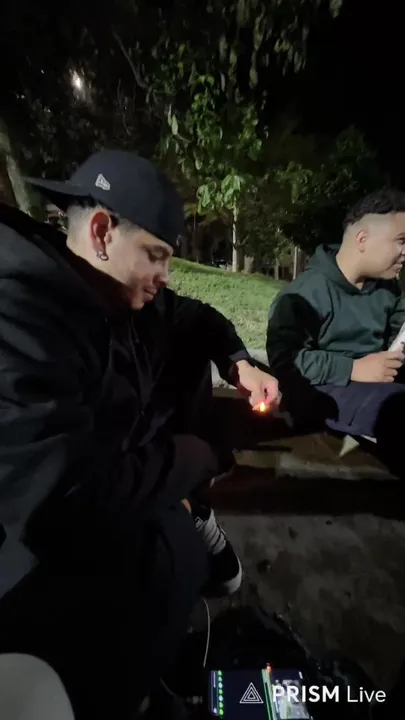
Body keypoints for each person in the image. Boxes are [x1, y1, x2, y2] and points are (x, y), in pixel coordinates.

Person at [0, 150, 279, 717]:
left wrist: (239, 362)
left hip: (110, 464)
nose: (165, 276)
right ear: (102, 231)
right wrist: (197, 457)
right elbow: (62, 499)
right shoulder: (22, 312)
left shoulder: (114, 289)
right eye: (156, 256)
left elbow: (194, 317)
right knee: (167, 568)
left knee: (189, 353)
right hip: (32, 547)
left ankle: (182, 521)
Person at [266, 188, 405, 476]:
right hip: (324, 390)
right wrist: (353, 368)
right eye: (401, 242)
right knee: (397, 409)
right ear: (363, 239)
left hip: (378, 383)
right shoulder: (305, 293)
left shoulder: (388, 289)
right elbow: (285, 360)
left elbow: (398, 330)